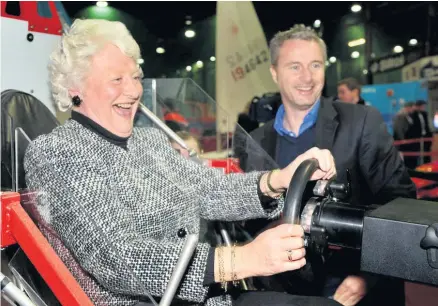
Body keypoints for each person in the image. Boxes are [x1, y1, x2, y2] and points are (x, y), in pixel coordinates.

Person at [23, 19, 340, 306]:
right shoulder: (58, 151)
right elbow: (115, 256)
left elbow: (209, 190)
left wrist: (277, 180)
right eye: (116, 79)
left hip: (208, 297)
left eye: (136, 76)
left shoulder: (149, 140)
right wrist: (239, 260)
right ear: (75, 87)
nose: (133, 90)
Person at [236, 24, 417, 306]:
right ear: (274, 72)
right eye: (294, 67)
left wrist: (367, 277)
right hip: (287, 291)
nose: (307, 77)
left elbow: (400, 202)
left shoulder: (361, 122)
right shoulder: (256, 140)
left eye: (315, 65)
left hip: (352, 285)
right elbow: (251, 215)